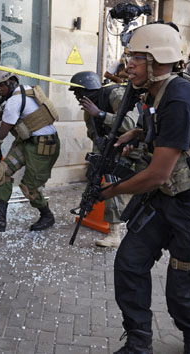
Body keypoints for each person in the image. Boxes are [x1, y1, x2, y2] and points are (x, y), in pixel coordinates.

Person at [98, 23, 190, 354]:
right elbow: (160, 130)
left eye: (137, 58)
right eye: (130, 57)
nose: (129, 65)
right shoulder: (157, 91)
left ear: (157, 61)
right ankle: (139, 341)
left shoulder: (180, 98)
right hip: (166, 198)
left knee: (180, 289)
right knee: (129, 262)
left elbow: (156, 174)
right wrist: (136, 134)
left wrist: (109, 191)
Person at [0, 71, 60, 235]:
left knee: (29, 188)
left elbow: (0, 135)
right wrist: (0, 114)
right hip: (28, 142)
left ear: (11, 82)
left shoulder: (13, 102)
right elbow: (28, 112)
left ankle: (47, 216)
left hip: (43, 146)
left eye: (1, 85)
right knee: (3, 170)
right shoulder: (26, 89)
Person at [68, 71, 145, 248]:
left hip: (140, 142)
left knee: (148, 187)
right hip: (117, 146)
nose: (77, 96)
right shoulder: (89, 109)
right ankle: (114, 233)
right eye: (75, 93)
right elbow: (93, 133)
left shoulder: (114, 94)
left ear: (91, 89)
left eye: (79, 92)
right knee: (111, 184)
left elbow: (129, 124)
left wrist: (101, 114)